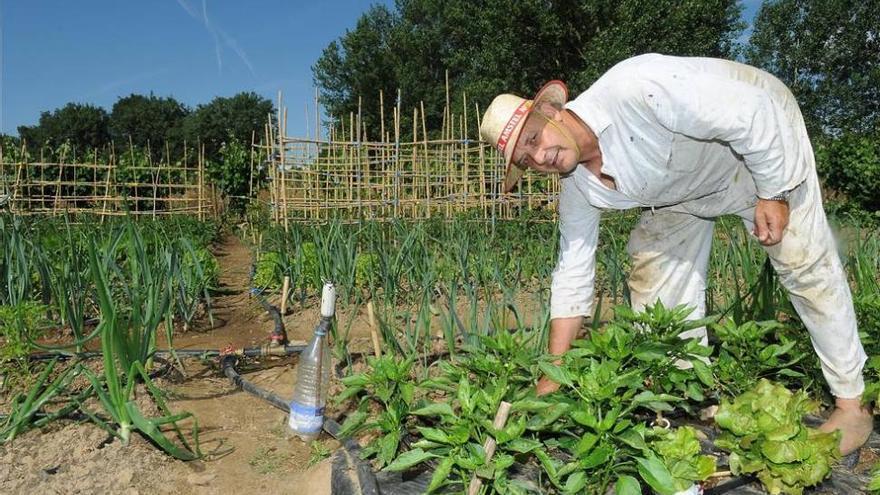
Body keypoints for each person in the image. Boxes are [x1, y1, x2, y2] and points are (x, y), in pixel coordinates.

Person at [479, 53, 872, 455]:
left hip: (755, 150)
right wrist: (554, 371)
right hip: (684, 190)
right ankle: (688, 393)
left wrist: (772, 192)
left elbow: (754, 111)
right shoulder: (578, 186)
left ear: (551, 112)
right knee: (655, 280)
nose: (540, 157)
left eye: (534, 139)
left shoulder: (636, 88)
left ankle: (851, 403)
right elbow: (573, 270)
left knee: (802, 262)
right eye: (527, 160)